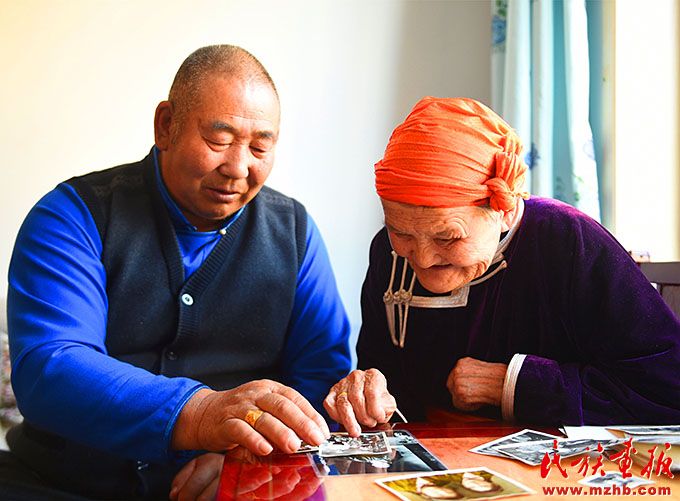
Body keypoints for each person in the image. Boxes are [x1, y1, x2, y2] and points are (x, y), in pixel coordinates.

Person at [5, 45, 351, 500]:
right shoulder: (71, 216)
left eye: (260, 147)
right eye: (219, 141)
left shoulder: (295, 233)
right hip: (64, 482)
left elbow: (322, 380)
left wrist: (249, 456)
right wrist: (200, 414)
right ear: (166, 125)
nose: (238, 167)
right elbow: (52, 368)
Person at [324, 96, 680, 434]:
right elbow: (390, 394)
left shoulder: (569, 241)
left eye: (448, 238)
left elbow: (666, 388)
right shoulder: (387, 253)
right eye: (400, 232)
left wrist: (512, 384)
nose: (423, 258)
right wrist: (367, 395)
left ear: (505, 211)